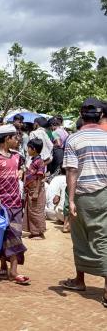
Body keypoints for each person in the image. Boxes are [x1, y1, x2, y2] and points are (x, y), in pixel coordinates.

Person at [61, 98, 107, 307]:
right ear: (100, 115)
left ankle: (80, 280)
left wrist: (70, 200)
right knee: (103, 238)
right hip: (104, 194)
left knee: (79, 238)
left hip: (81, 196)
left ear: (81, 115)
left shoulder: (73, 139)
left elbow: (71, 170)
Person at [0, 124, 30, 285]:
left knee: (15, 234)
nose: (17, 140)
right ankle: (3, 266)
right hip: (0, 204)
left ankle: (14, 270)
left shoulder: (18, 157)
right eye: (15, 137)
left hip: (16, 202)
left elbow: (22, 168)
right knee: (1, 235)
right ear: (7, 139)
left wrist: (22, 171)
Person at [23, 138, 46, 239]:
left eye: (28, 148)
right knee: (31, 211)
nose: (27, 150)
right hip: (31, 190)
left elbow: (40, 177)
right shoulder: (34, 160)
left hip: (35, 190)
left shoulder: (39, 162)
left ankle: (38, 233)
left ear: (33, 149)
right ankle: (34, 231)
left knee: (36, 211)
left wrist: (36, 192)